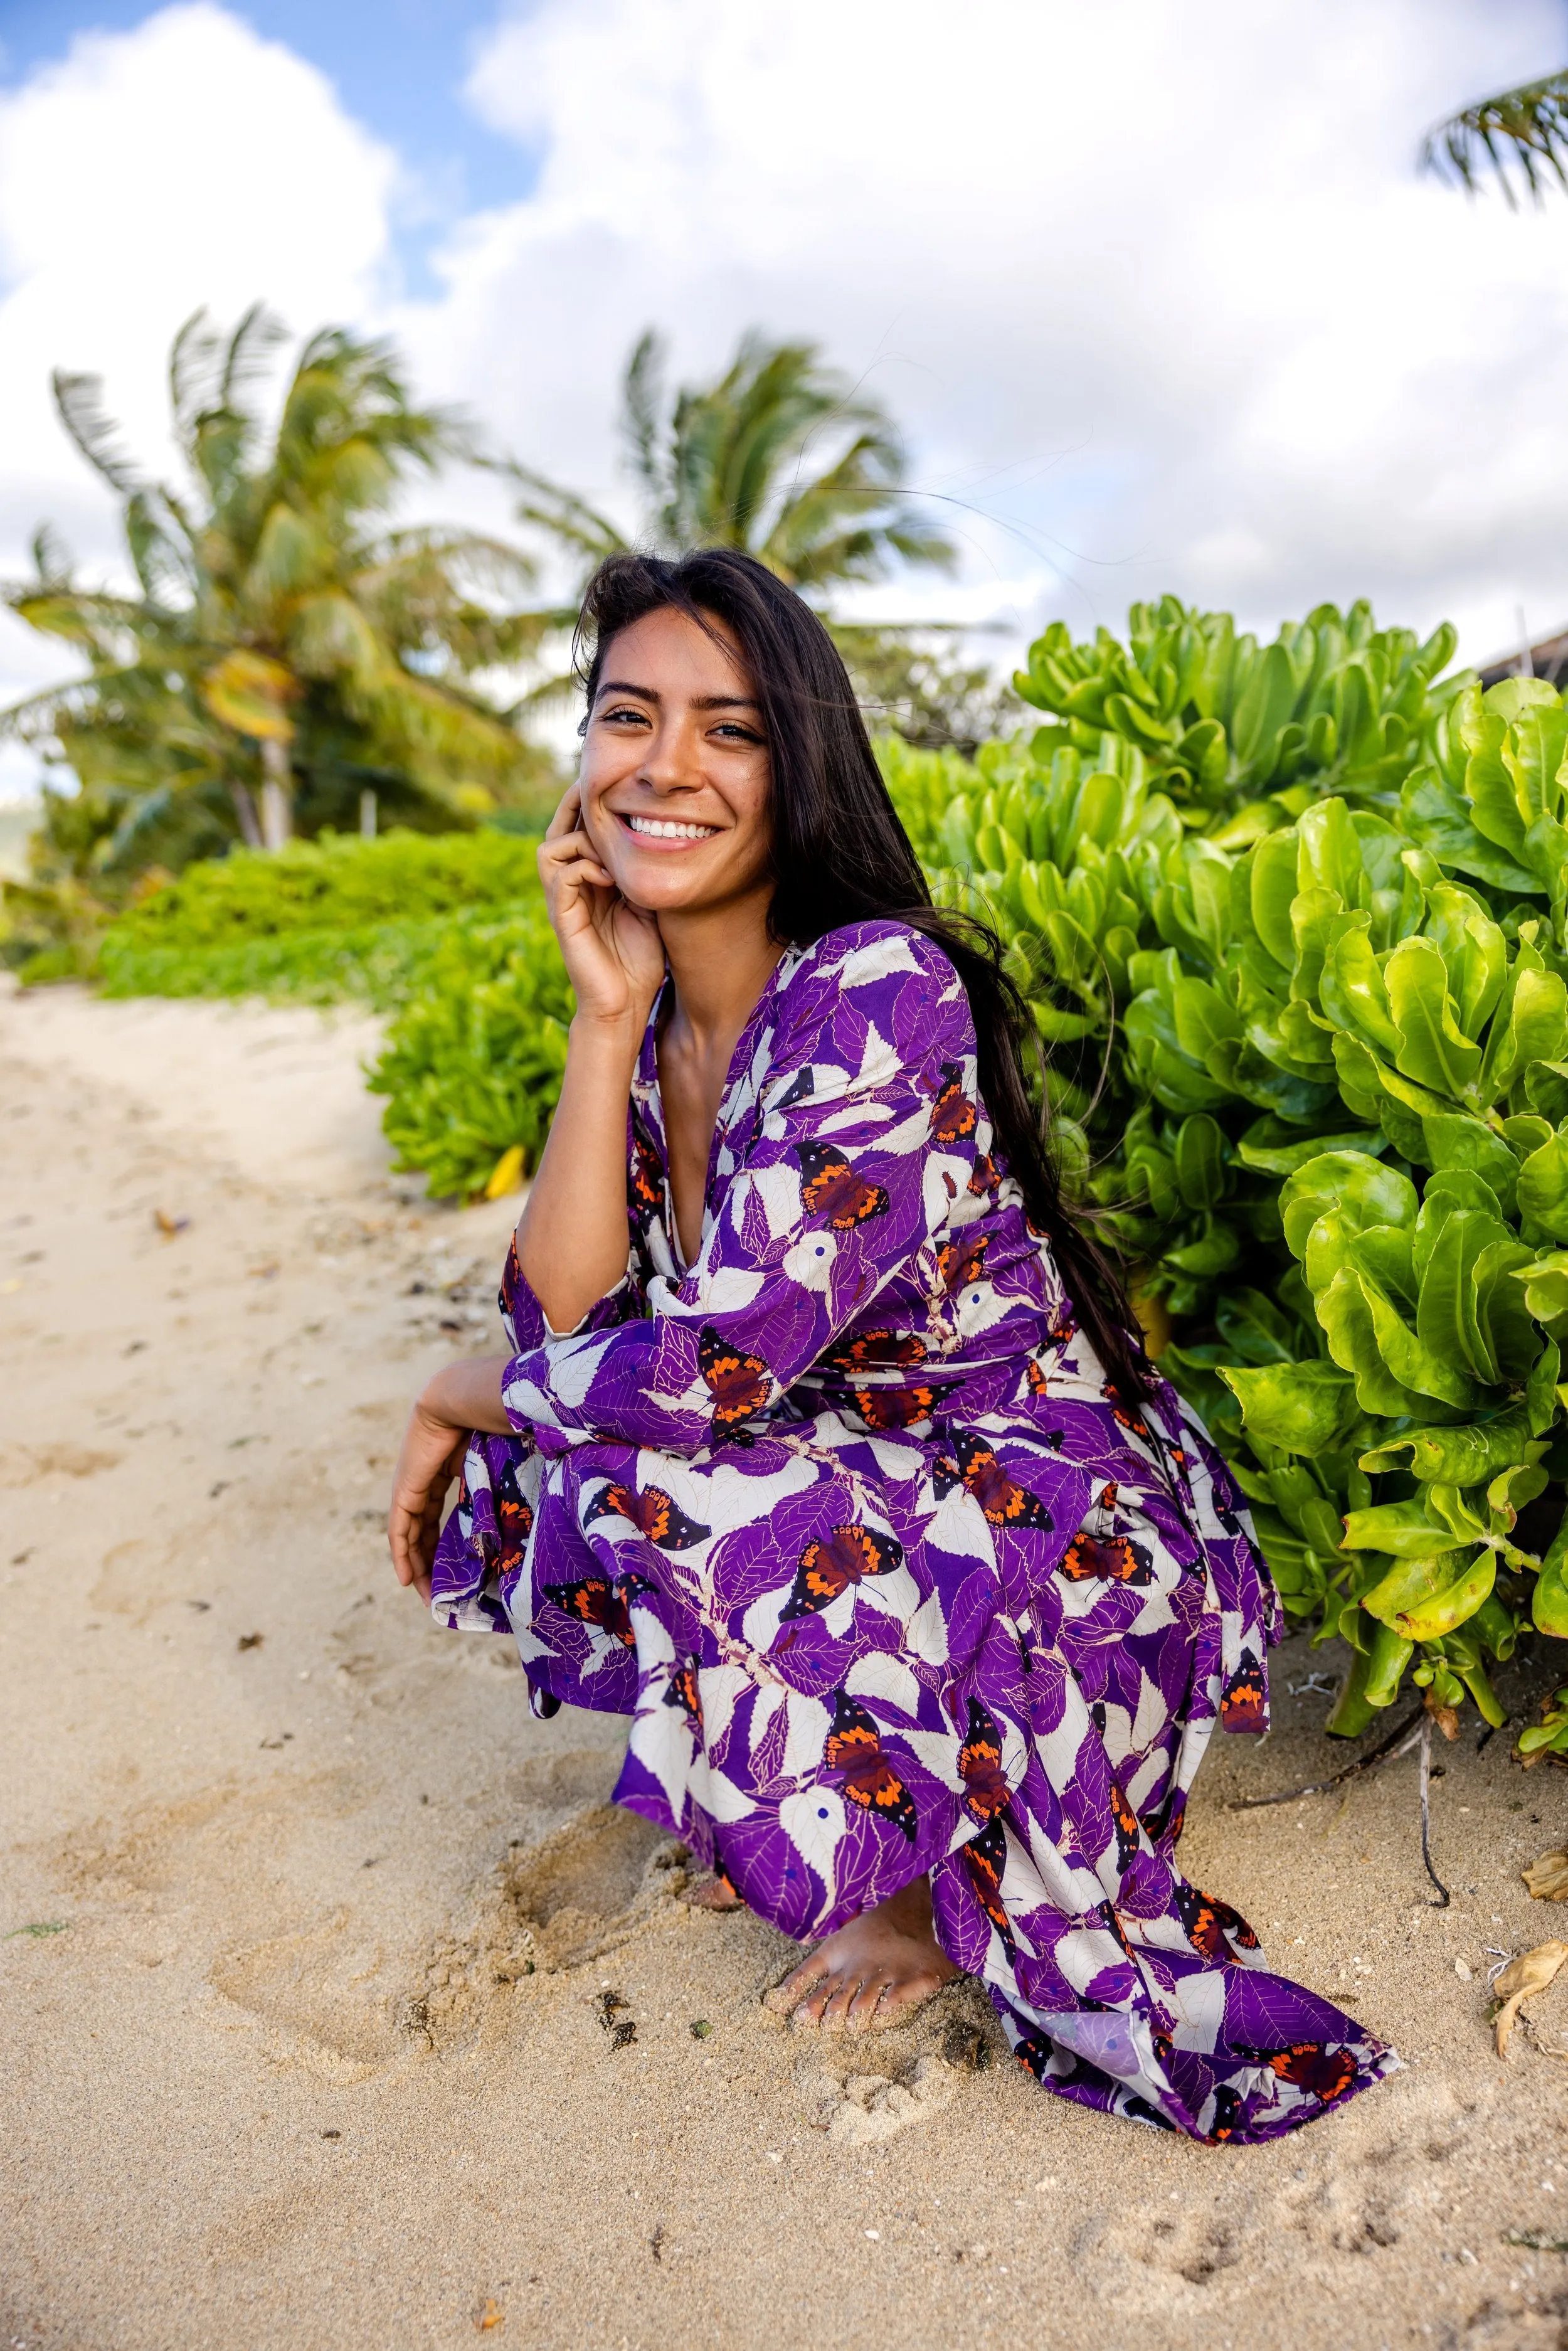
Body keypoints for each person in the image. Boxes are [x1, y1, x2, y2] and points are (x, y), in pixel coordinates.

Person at [387, 548, 1395, 2143]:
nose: (664, 767)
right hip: (883, 1495)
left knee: (641, 1466)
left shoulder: (873, 986)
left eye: (728, 730)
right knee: (564, 1455)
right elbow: (567, 1327)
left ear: (802, 764)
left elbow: (701, 1372)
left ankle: (923, 1876)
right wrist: (597, 1020)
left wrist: (471, 1387)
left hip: (1057, 1538)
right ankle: (842, 1793)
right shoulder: (652, 1022)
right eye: (625, 717)